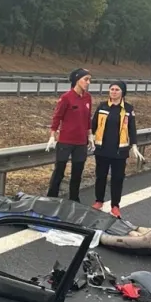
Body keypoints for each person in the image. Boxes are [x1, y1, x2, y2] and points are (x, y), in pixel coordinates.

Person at [91, 81, 145, 217]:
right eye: (112, 89)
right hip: (102, 149)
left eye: (117, 90)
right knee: (100, 176)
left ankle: (115, 205)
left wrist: (134, 145)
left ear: (122, 92)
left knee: (117, 178)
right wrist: (90, 137)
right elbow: (93, 124)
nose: (113, 92)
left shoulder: (128, 109)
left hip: (120, 151)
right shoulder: (102, 106)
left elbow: (132, 129)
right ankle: (99, 201)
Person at [46, 68, 95, 202]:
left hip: (81, 142)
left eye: (89, 80)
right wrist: (52, 135)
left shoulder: (88, 98)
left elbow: (88, 118)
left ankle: (74, 199)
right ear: (77, 80)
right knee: (59, 171)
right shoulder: (66, 97)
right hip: (66, 141)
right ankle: (51, 198)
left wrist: (90, 135)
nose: (88, 82)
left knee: (77, 173)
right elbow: (57, 117)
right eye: (86, 79)